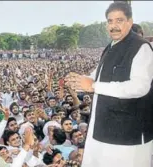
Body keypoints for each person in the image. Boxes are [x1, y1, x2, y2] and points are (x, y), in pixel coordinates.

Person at [65, 2, 153, 167]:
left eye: (119, 20)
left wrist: (94, 86)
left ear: (130, 21)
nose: (114, 26)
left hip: (128, 136)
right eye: (110, 21)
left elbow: (139, 87)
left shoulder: (141, 47)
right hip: (104, 130)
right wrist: (80, 80)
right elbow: (98, 75)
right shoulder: (111, 46)